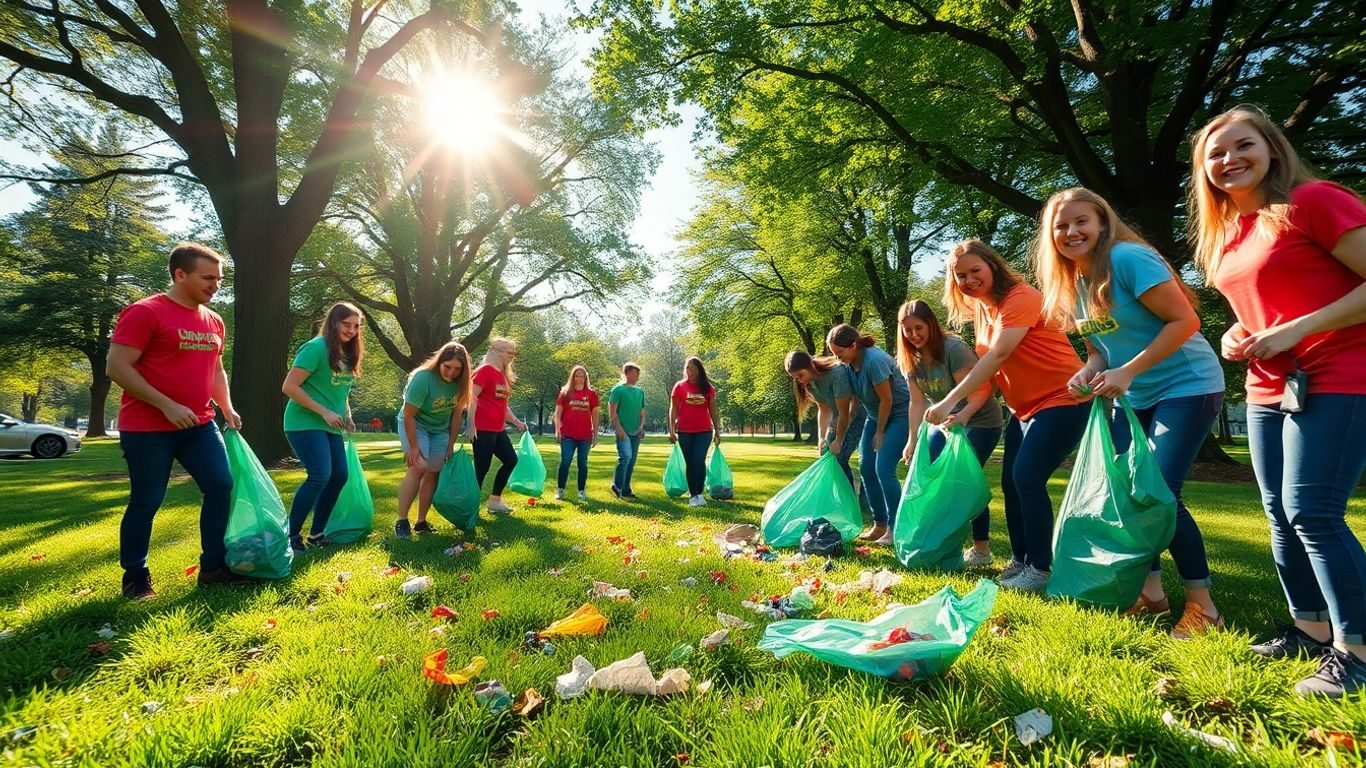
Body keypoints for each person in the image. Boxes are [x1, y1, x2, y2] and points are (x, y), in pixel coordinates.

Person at [1190, 105, 1366, 697]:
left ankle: (1358, 648)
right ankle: (1310, 628)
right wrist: (1232, 334)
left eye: (1243, 146)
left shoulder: (1315, 201)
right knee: (1277, 511)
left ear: (1271, 147)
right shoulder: (1228, 236)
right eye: (1216, 153)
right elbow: (1256, 310)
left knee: (1312, 511)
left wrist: (1297, 329)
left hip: (1340, 371)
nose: (1229, 159)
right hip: (1270, 383)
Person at [1036, 187, 1227, 638]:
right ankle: (1152, 594)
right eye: (1061, 226)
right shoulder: (1072, 284)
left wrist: (1128, 370)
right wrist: (1087, 373)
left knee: (1159, 493)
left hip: (1188, 385)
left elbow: (1186, 322)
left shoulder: (1128, 260)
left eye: (1081, 221)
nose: (1071, 231)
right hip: (1134, 395)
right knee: (1127, 495)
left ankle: (1203, 606)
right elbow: (1099, 350)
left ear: (1103, 222)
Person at [926, 240, 1088, 592]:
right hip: (1025, 408)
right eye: (960, 276)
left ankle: (1041, 567)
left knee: (1027, 477)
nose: (969, 280)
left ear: (993, 267)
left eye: (975, 271)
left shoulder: (1021, 296)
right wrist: (966, 413)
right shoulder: (982, 310)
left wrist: (948, 402)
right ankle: (1022, 559)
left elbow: (997, 356)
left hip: (1064, 397)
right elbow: (995, 373)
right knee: (1012, 483)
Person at [106, 242, 247, 599]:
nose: (216, 285)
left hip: (199, 425)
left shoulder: (214, 321)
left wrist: (226, 406)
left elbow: (216, 369)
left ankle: (213, 567)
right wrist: (166, 405)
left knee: (220, 485)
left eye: (219, 279)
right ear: (179, 274)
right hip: (147, 428)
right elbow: (117, 367)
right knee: (147, 500)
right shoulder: (145, 312)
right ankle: (135, 576)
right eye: (208, 278)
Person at [894, 299, 1004, 566]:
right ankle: (936, 541)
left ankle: (981, 549)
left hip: (980, 421)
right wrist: (912, 440)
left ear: (931, 323)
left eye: (919, 328)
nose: (914, 335)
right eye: (907, 330)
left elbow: (982, 390)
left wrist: (962, 416)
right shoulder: (910, 359)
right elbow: (917, 402)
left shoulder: (954, 349)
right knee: (931, 477)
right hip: (944, 425)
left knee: (964, 482)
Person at [280, 302, 363, 552]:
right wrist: (325, 412)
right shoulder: (315, 348)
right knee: (319, 475)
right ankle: (291, 535)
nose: (351, 330)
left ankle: (317, 534)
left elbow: (341, 391)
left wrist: (346, 415)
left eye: (356, 326)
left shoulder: (348, 353)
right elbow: (289, 387)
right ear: (333, 323)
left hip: (331, 425)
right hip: (303, 422)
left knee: (339, 475)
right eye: (346, 324)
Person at [826, 324, 910, 544]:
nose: (838, 358)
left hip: (900, 414)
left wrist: (880, 432)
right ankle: (879, 524)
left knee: (883, 469)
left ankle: (896, 527)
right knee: (866, 469)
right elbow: (855, 402)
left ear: (854, 345)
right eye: (834, 354)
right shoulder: (849, 365)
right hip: (875, 416)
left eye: (840, 353)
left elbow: (887, 400)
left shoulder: (875, 361)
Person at [395, 342, 472, 538]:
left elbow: (456, 416)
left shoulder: (461, 384)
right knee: (418, 466)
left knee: (433, 472)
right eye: (447, 367)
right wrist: (413, 447)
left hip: (439, 430)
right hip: (415, 424)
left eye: (457, 369)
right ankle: (401, 521)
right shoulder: (423, 378)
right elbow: (409, 415)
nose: (451, 372)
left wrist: (450, 444)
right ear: (439, 362)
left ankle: (421, 522)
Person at [784, 350, 866, 497]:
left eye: (800, 375)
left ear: (810, 365)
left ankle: (849, 498)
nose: (799, 380)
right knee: (825, 453)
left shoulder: (837, 374)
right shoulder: (810, 385)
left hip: (858, 415)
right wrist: (822, 437)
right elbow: (824, 409)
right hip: (839, 417)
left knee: (840, 457)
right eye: (795, 378)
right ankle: (837, 496)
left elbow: (845, 411)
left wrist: (838, 440)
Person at [468, 337, 528, 513]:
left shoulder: (501, 375)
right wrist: (470, 425)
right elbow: (471, 397)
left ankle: (495, 501)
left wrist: (516, 421)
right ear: (496, 351)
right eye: (510, 352)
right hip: (483, 428)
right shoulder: (485, 371)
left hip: (498, 429)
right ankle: (470, 507)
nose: (512, 356)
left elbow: (503, 405)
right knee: (481, 468)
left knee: (511, 460)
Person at [669, 356, 721, 507]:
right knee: (690, 463)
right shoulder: (680, 387)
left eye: (692, 368)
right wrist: (671, 429)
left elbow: (713, 410)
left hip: (704, 431)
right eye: (687, 368)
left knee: (699, 459)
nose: (689, 371)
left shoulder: (707, 388)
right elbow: (673, 410)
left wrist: (717, 431)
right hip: (684, 431)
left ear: (699, 370)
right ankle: (693, 495)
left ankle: (699, 493)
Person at [554, 365, 601, 501]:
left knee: (583, 463)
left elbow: (596, 416)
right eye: (577, 375)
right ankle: (560, 489)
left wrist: (595, 434)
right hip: (568, 434)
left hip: (585, 436)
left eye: (582, 375)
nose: (579, 377)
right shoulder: (565, 393)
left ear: (585, 377)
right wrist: (558, 430)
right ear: (573, 377)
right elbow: (558, 414)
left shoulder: (592, 394)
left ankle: (581, 490)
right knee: (565, 461)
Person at [608, 362, 647, 499]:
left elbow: (642, 412)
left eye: (638, 373)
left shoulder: (640, 392)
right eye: (635, 372)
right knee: (625, 457)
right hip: (622, 430)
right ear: (627, 373)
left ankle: (626, 489)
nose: (638, 376)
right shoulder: (618, 390)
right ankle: (617, 486)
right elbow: (612, 412)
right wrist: (618, 428)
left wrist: (641, 427)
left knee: (631, 460)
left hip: (636, 432)